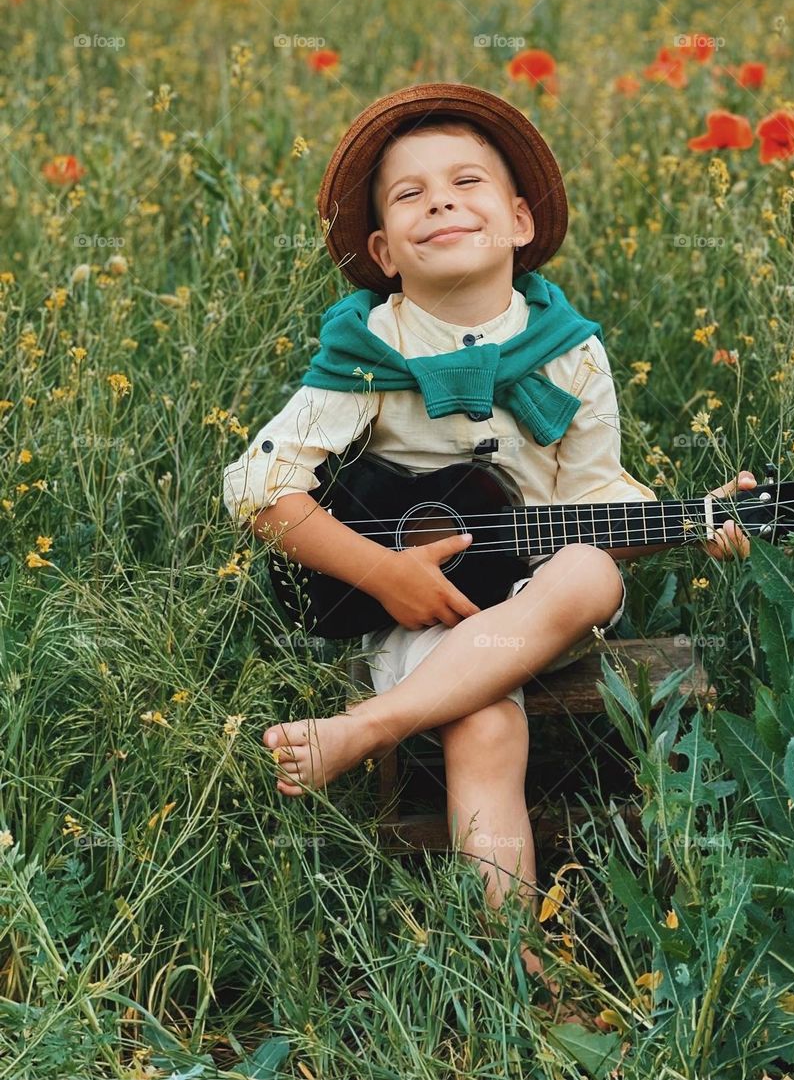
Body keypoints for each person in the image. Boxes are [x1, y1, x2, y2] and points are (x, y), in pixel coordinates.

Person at [222, 82, 755, 1020]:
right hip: (424, 603)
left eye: (466, 182)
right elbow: (258, 485)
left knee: (587, 565)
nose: (440, 202)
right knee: (487, 725)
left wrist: (689, 518)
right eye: (410, 194)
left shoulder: (570, 353)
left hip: (543, 594)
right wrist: (384, 569)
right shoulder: (369, 349)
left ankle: (367, 730)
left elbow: (592, 499)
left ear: (518, 219)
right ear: (384, 253)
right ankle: (513, 962)